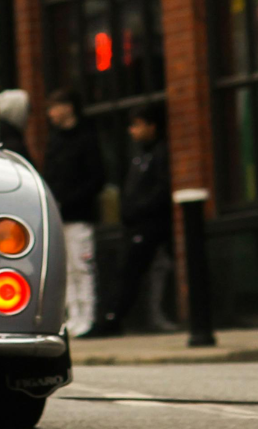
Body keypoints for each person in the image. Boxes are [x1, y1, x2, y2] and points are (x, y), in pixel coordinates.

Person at [102, 103, 172, 338]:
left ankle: (116, 317)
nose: (132, 131)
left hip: (149, 223)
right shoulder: (140, 155)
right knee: (131, 271)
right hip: (134, 223)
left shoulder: (160, 153)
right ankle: (115, 316)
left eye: (137, 125)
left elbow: (161, 190)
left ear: (153, 126)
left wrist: (138, 209)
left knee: (136, 271)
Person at [41, 90, 107, 338]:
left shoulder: (86, 138)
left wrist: (68, 200)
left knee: (81, 266)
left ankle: (87, 316)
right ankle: (73, 316)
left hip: (79, 214)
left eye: (55, 107)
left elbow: (97, 177)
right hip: (60, 215)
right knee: (66, 268)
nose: (51, 114)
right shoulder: (55, 140)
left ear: (68, 107)